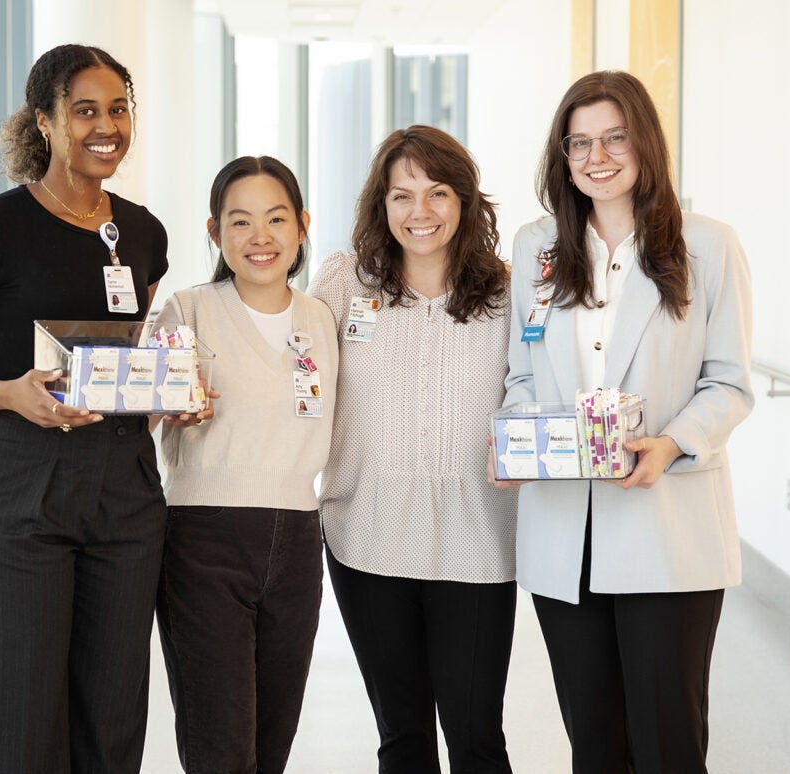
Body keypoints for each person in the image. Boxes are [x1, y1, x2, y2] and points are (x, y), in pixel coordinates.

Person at [0, 44, 169, 773]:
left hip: (125, 492)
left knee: (112, 717)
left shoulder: (144, 234)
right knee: (17, 722)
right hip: (16, 491)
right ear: (46, 122)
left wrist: (168, 394)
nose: (105, 126)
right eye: (84, 109)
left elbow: (127, 361)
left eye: (118, 108)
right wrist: (9, 394)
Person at [499, 70, 753, 773]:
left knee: (668, 743)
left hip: (666, 530)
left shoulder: (707, 246)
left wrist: (670, 444)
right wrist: (522, 444)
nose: (597, 157)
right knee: (595, 745)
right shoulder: (536, 249)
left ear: (645, 143)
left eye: (614, 137)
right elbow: (522, 373)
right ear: (562, 155)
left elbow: (729, 384)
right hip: (564, 534)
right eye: (579, 143)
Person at [309, 125, 518, 773]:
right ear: (382, 204)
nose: (419, 212)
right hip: (366, 537)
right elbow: (296, 370)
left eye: (437, 193)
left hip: (478, 544)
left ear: (465, 202)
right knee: (401, 737)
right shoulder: (347, 282)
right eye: (402, 196)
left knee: (476, 736)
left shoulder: (509, 295)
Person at [153, 156, 337, 773]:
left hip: (296, 541)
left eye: (276, 219)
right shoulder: (188, 310)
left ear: (303, 226)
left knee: (272, 737)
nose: (261, 237)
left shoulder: (321, 319)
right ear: (214, 233)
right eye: (240, 222)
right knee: (220, 742)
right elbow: (140, 411)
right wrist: (167, 408)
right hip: (204, 536)